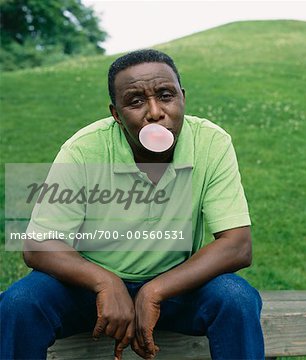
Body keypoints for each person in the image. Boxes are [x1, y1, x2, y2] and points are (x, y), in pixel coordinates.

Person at [0, 49, 265, 360]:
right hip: (88, 292)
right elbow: (37, 245)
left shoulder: (211, 143)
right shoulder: (84, 149)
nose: (154, 112)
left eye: (166, 95)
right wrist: (104, 282)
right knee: (20, 302)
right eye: (135, 101)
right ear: (116, 113)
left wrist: (155, 291)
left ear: (182, 97)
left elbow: (237, 246)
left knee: (237, 299)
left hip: (174, 288)